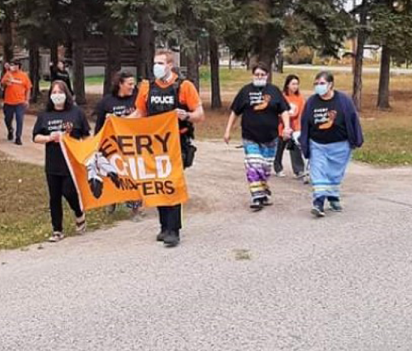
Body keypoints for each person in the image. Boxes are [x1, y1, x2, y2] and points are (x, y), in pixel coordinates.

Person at [129, 49, 205, 247]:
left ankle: (174, 229)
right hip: (153, 143)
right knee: (158, 183)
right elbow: (139, 113)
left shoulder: (184, 87)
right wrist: (119, 122)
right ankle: (164, 226)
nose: (157, 67)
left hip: (176, 143)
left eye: (161, 63)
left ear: (170, 65)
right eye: (156, 63)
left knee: (172, 182)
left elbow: (200, 114)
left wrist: (186, 116)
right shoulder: (147, 87)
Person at [223, 63, 292, 211]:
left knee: (265, 168)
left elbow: (284, 110)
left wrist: (286, 127)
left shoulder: (274, 91)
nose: (259, 77)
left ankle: (263, 191)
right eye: (257, 75)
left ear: (267, 76)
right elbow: (235, 112)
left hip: (271, 137)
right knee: (254, 165)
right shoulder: (245, 91)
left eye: (262, 75)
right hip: (250, 136)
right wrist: (228, 131)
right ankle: (257, 196)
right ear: (252, 75)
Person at [299, 71, 364, 217]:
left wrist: (356, 139)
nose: (318, 87)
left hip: (340, 145)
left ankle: (333, 196)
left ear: (331, 84)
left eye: (322, 83)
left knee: (334, 174)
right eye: (316, 84)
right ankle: (319, 202)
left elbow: (353, 119)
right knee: (318, 172)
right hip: (318, 144)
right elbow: (305, 123)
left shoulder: (343, 100)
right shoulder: (311, 102)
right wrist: (305, 142)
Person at [33, 80, 89, 242]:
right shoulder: (45, 115)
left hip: (71, 163)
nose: (57, 95)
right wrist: (49, 137)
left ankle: (79, 213)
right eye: (54, 93)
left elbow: (86, 136)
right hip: (53, 162)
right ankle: (57, 230)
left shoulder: (76, 113)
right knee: (54, 196)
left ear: (66, 94)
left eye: (60, 92)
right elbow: (36, 137)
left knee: (69, 191)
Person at [95, 70, 141, 216]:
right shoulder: (106, 102)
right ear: (120, 84)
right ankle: (112, 201)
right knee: (113, 173)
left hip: (132, 143)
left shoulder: (137, 99)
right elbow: (99, 126)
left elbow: (144, 118)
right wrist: (97, 145)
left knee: (133, 173)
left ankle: (136, 206)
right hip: (113, 147)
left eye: (133, 84)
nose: (132, 87)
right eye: (129, 84)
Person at [273, 74, 306, 179]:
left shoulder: (300, 98)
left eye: (297, 84)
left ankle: (299, 170)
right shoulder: (282, 97)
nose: (295, 86)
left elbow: (301, 113)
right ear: (287, 85)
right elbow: (278, 112)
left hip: (295, 127)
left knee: (295, 148)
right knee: (280, 148)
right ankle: (278, 167)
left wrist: (298, 128)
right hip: (282, 127)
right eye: (293, 84)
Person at [1, 60, 32, 145]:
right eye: (12, 65)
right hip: (8, 102)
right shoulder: (8, 74)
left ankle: (18, 137)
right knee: (7, 119)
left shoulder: (24, 76)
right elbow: (2, 83)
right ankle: (10, 130)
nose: (13, 66)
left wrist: (27, 100)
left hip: (20, 102)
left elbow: (28, 88)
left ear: (19, 66)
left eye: (15, 65)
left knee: (19, 119)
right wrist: (7, 81)